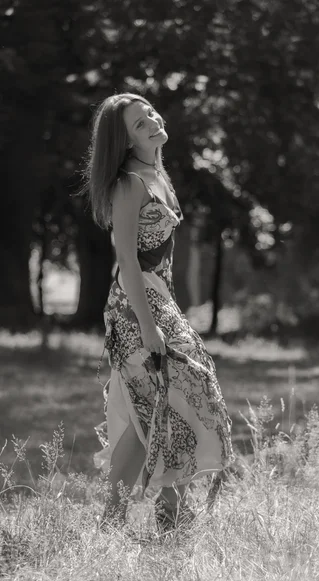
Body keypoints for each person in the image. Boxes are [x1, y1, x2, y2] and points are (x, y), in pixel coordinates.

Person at [83, 92, 234, 531]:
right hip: (134, 306)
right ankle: (153, 514)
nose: (150, 121)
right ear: (126, 141)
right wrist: (150, 326)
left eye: (149, 112)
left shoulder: (156, 173)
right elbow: (127, 260)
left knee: (155, 404)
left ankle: (150, 515)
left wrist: (166, 307)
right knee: (175, 393)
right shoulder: (130, 183)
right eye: (137, 123)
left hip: (156, 297)